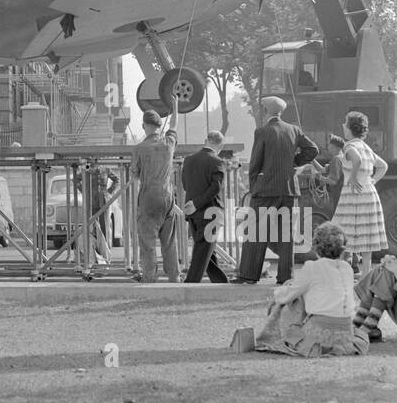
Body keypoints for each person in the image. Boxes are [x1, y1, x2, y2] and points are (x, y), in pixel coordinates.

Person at [235, 96, 318, 285]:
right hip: (289, 190)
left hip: (266, 190)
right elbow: (312, 150)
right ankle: (285, 276)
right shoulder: (294, 130)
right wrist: (293, 163)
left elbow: (255, 162)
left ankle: (248, 275)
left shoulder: (262, 131)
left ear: (266, 111)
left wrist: (254, 187)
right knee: (286, 236)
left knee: (257, 232)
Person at [255, 222, 370, 356]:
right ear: (342, 248)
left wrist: (279, 292)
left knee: (291, 300)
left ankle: (272, 336)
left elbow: (286, 296)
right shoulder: (347, 268)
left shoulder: (312, 267)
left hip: (319, 332)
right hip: (346, 331)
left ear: (316, 247)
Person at [331, 112, 388, 272]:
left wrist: (354, 176)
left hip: (353, 194)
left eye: (345, 123)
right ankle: (365, 277)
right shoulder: (366, 147)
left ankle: (344, 273)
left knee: (344, 233)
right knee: (366, 239)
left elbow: (357, 159)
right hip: (369, 193)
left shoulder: (349, 145)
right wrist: (373, 180)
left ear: (348, 129)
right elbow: (383, 166)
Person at [132, 100, 180, 282]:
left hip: (148, 198)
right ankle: (174, 277)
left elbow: (135, 176)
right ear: (159, 126)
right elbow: (174, 124)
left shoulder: (138, 149)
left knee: (147, 242)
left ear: (144, 126)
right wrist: (175, 105)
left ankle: (150, 278)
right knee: (169, 242)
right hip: (168, 198)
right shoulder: (169, 143)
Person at [181, 130, 229, 283]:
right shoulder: (218, 162)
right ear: (220, 145)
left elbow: (185, 184)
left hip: (193, 213)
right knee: (203, 252)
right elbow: (215, 188)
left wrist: (194, 203)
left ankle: (221, 282)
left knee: (206, 252)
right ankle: (191, 283)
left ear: (205, 140)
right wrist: (197, 204)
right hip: (211, 212)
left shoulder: (188, 160)